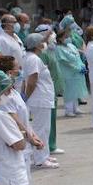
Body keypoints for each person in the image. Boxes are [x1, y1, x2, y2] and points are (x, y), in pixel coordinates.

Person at [21, 34, 59, 170]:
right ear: (37, 45)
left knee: (44, 128)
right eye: (42, 42)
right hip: (39, 99)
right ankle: (40, 159)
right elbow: (32, 81)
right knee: (41, 129)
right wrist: (26, 97)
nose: (44, 44)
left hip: (41, 98)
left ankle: (44, 154)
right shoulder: (33, 59)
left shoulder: (31, 58)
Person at [51, 29, 87, 119]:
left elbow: (77, 57)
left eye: (69, 36)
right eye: (66, 37)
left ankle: (75, 108)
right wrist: (76, 68)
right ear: (60, 38)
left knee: (76, 90)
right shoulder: (58, 49)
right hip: (68, 73)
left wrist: (82, 66)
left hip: (77, 72)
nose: (68, 38)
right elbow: (64, 61)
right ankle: (69, 110)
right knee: (69, 91)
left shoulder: (71, 46)